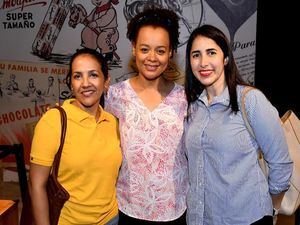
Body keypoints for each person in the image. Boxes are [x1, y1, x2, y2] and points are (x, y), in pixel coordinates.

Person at [183, 24, 293, 225]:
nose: (203, 62)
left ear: (225, 58)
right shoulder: (192, 108)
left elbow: (281, 163)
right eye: (196, 55)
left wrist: (272, 208)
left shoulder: (250, 100)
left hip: (246, 218)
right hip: (201, 219)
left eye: (211, 53)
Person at [105, 6, 188, 225]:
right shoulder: (115, 95)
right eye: (145, 49)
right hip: (129, 209)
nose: (152, 58)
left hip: (175, 211)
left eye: (160, 50)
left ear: (171, 53)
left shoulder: (185, 99)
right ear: (134, 48)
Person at [29, 48, 122, 225]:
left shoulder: (113, 122)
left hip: (111, 219)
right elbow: (36, 185)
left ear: (106, 81)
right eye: (77, 76)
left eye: (93, 75)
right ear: (71, 84)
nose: (85, 83)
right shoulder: (54, 120)